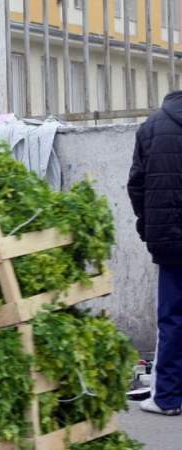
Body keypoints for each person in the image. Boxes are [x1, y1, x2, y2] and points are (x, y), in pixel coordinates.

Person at [128, 91, 182, 416]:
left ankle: (167, 399)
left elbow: (136, 184)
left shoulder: (152, 125)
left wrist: (148, 227)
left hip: (171, 240)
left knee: (173, 319)